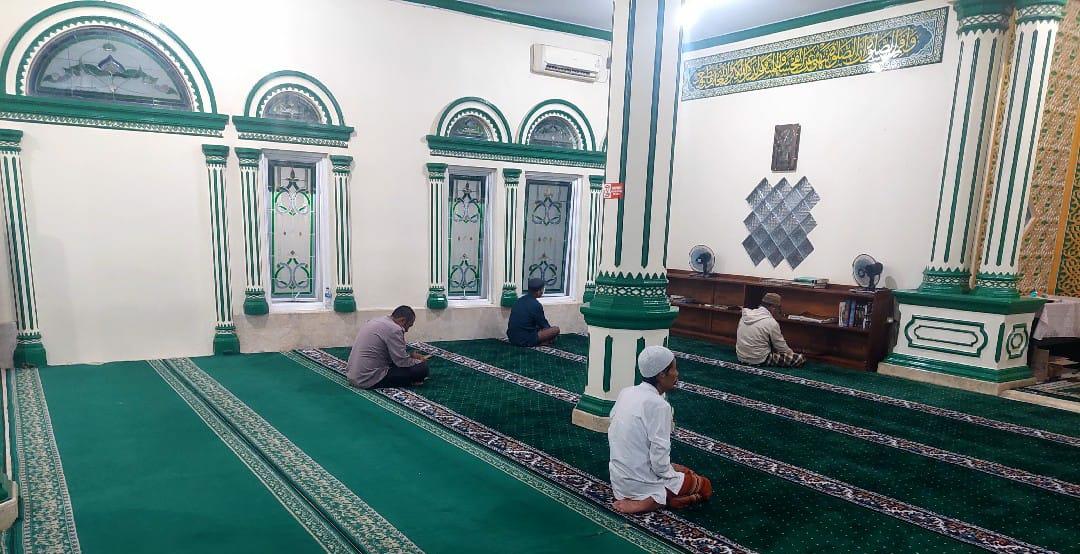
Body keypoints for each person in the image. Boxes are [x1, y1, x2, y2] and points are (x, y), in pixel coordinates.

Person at [608, 346, 713, 514]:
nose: (677, 374)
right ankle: (652, 501)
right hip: (641, 483)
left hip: (619, 482)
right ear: (661, 374)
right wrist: (671, 474)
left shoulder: (627, 392)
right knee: (705, 486)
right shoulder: (658, 405)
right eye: (674, 369)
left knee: (684, 471)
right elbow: (659, 457)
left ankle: (670, 497)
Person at [346, 305, 431, 388]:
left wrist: (410, 356)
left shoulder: (376, 321)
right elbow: (401, 362)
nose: (407, 330)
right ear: (402, 320)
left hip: (352, 376)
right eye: (408, 326)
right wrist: (419, 361)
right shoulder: (394, 329)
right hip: (367, 379)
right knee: (421, 369)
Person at [736, 292, 805, 367]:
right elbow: (781, 347)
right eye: (779, 308)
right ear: (773, 308)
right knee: (799, 358)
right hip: (759, 359)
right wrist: (791, 354)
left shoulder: (745, 315)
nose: (779, 312)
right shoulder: (771, 322)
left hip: (741, 357)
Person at [506, 277, 560, 347]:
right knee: (555, 329)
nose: (543, 291)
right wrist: (551, 334)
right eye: (542, 289)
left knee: (538, 328)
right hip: (524, 339)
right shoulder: (536, 305)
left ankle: (543, 341)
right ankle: (542, 342)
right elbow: (544, 325)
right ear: (539, 291)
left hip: (512, 338)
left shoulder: (519, 300)